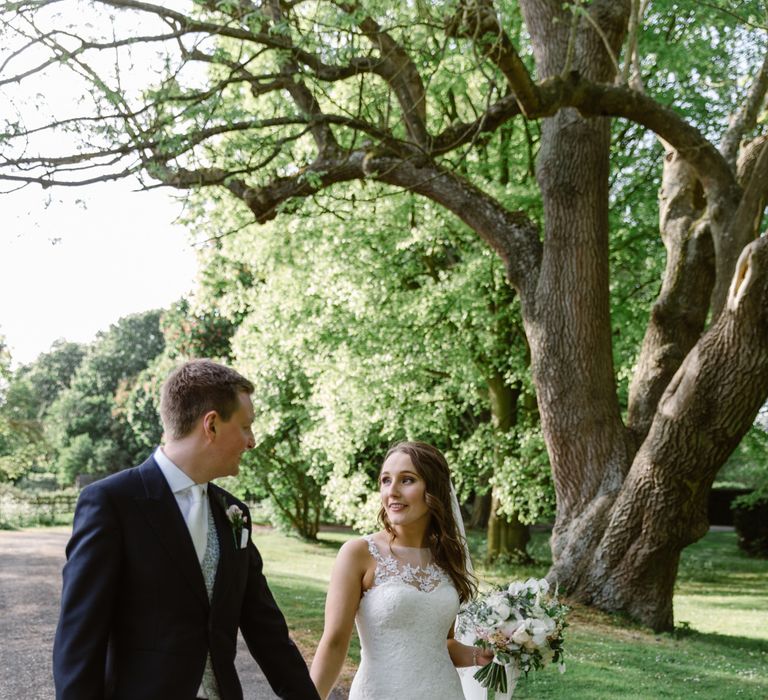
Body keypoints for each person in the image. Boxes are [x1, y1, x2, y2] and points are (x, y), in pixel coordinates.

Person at [53, 359, 320, 700]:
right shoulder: (111, 503)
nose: (251, 441)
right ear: (211, 425)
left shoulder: (233, 512)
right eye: (246, 427)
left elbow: (266, 628)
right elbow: (79, 639)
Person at [310, 441, 493, 699]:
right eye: (386, 480)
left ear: (433, 489)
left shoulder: (448, 556)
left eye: (407, 480)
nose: (392, 491)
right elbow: (334, 643)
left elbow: (442, 642)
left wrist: (480, 654)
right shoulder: (358, 553)